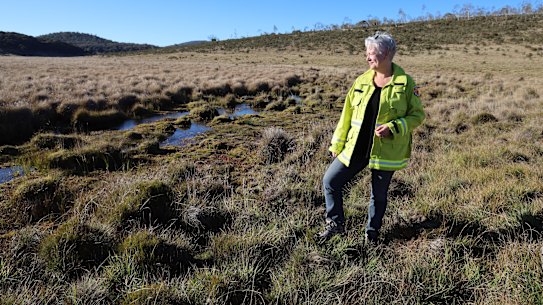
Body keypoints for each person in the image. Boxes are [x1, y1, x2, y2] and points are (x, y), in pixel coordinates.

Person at [318, 31, 425, 244]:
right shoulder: (361, 81)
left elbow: (417, 115)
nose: (367, 57)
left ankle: (372, 233)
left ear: (385, 55)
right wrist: (337, 143)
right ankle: (335, 224)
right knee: (330, 181)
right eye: (367, 53)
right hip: (356, 147)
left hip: (385, 151)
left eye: (371, 53)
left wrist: (394, 126)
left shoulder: (405, 83)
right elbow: (346, 115)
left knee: (379, 196)